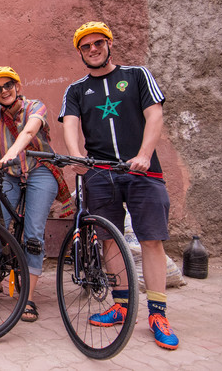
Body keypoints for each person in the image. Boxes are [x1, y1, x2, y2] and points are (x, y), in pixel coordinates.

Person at [59, 21, 178, 350]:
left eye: (98, 43)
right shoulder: (76, 90)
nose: (93, 49)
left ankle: (157, 313)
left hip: (142, 171)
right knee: (109, 241)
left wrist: (143, 154)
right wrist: (76, 157)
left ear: (109, 44)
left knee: (151, 241)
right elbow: (70, 124)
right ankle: (122, 305)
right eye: (86, 46)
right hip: (100, 172)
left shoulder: (138, 75)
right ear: (80, 52)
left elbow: (154, 115)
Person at [0, 66, 73, 323]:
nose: (4, 91)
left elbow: (29, 132)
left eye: (8, 85)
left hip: (41, 170)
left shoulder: (35, 106)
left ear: (17, 86)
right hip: (10, 173)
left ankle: (28, 297)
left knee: (32, 233)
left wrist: (11, 153)